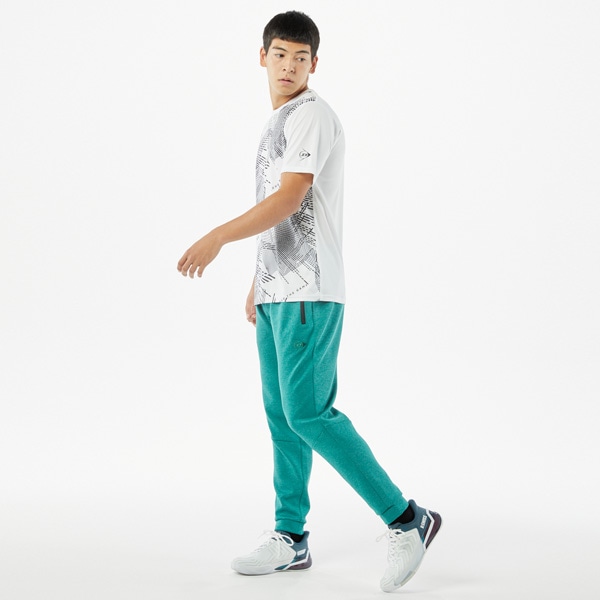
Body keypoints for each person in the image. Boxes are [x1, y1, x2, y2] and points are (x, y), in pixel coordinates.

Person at [177, 10, 441, 592]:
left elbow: (291, 197)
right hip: (281, 293)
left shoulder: (313, 115)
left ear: (314, 64)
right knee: (283, 418)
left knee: (308, 414)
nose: (289, 66)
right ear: (263, 57)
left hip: (310, 293)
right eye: (280, 54)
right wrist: (260, 280)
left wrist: (219, 236)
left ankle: (406, 518)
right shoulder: (279, 121)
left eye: (301, 58)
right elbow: (285, 219)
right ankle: (290, 538)